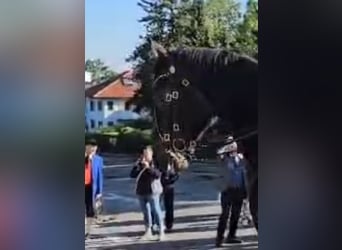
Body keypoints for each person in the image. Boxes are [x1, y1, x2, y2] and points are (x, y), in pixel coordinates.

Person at [215, 137, 249, 247]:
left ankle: (231, 236)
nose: (233, 147)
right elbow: (218, 152)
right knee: (225, 215)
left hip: (239, 190)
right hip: (227, 190)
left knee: (236, 215)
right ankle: (219, 238)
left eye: (233, 144)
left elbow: (244, 175)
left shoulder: (241, 158)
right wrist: (227, 146)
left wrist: (246, 190)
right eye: (230, 144)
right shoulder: (223, 158)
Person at [130, 146, 165, 241]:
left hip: (153, 191)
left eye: (147, 154)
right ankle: (148, 230)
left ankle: (161, 229)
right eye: (144, 154)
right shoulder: (139, 164)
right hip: (141, 191)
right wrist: (137, 166)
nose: (145, 156)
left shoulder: (155, 163)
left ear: (151, 154)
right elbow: (132, 175)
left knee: (156, 210)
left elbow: (157, 175)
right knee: (146, 212)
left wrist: (148, 167)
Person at [85, 138, 104, 238]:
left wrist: (99, 191)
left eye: (94, 147)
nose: (92, 149)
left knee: (90, 210)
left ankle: (88, 231)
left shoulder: (98, 159)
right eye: (90, 146)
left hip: (91, 188)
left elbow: (100, 176)